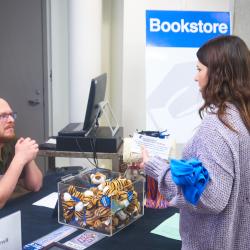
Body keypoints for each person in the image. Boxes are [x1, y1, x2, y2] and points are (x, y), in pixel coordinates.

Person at [140, 35, 250, 250]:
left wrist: (155, 167)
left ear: (219, 74)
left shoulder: (217, 127)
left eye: (199, 70)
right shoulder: (243, 117)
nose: (195, 77)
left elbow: (209, 197)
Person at [0, 98, 43, 208]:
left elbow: (35, 185)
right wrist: (20, 158)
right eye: (3, 116)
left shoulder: (12, 143)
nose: (11, 120)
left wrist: (28, 157)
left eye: (11, 115)